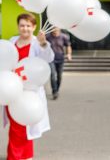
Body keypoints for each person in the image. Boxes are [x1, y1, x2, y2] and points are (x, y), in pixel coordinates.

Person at [3, 13, 54, 160]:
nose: (25, 28)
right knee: (16, 127)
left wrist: (44, 43)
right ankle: (21, 156)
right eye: (22, 25)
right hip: (12, 91)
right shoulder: (12, 41)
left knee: (25, 126)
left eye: (28, 25)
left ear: (34, 27)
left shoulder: (37, 43)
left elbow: (48, 58)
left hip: (29, 93)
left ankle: (19, 156)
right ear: (18, 26)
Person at [46, 27, 72, 100]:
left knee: (59, 76)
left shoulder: (64, 36)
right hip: (51, 59)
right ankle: (54, 92)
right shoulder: (47, 36)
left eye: (56, 29)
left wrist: (69, 54)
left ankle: (57, 89)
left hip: (60, 59)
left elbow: (68, 46)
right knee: (53, 75)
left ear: (59, 29)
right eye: (53, 29)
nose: (55, 31)